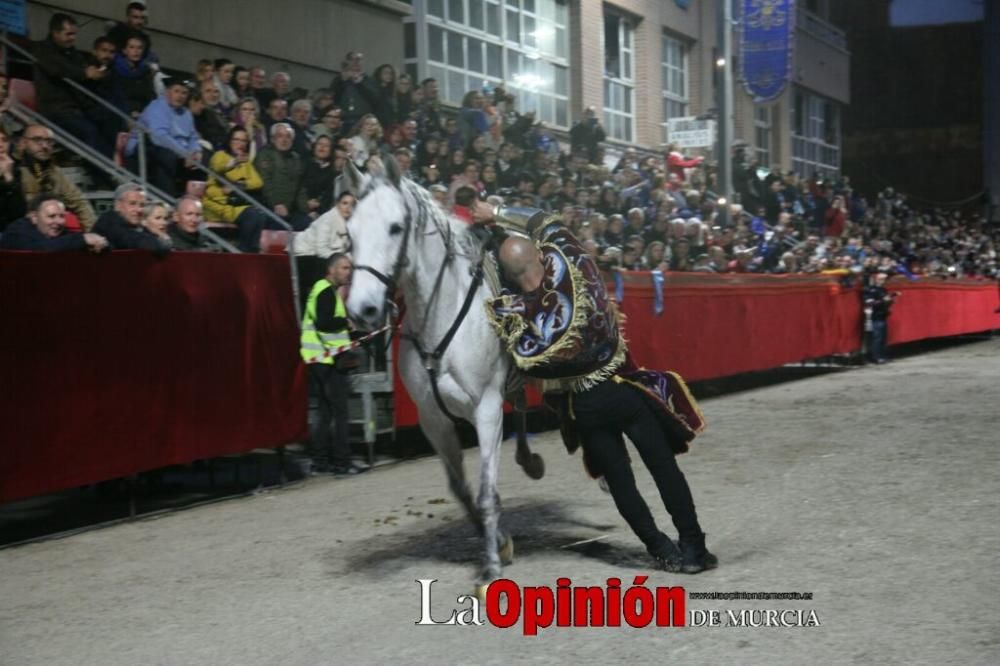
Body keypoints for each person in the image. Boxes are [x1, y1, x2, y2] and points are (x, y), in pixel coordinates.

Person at [476, 202, 717, 573]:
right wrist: (493, 209)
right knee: (663, 467)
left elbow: (526, 367)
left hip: (583, 406)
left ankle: (662, 550)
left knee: (620, 481)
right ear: (539, 255)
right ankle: (693, 547)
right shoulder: (576, 265)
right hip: (620, 388)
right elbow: (545, 218)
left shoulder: (519, 317)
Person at [300, 253, 368, 476]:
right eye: (344, 268)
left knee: (326, 412)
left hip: (319, 359)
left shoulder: (322, 290)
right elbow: (326, 322)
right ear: (332, 270)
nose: (349, 272)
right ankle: (342, 462)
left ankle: (320, 461)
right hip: (328, 361)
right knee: (339, 412)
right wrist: (347, 322)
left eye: (350, 268)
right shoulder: (325, 291)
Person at [32, 13, 117, 157]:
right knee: (89, 131)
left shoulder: (73, 53)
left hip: (79, 108)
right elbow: (59, 69)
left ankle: (114, 167)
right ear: (55, 33)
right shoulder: (42, 49)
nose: (73, 38)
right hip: (56, 110)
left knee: (111, 120)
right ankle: (104, 176)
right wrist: (85, 73)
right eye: (68, 34)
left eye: (74, 34)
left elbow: (84, 72)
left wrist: (99, 73)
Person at [128, 77, 202, 196]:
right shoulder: (156, 107)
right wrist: (185, 153)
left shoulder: (186, 113)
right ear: (167, 92)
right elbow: (159, 137)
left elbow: (193, 136)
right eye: (176, 91)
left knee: (205, 158)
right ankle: (166, 197)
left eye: (184, 93)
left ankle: (194, 199)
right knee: (167, 156)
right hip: (145, 147)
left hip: (178, 150)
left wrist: (195, 151)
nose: (180, 96)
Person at [19, 125, 98, 230]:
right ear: (23, 143)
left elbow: (78, 202)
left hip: (50, 231)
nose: (44, 146)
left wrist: (92, 231)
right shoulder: (14, 168)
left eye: (49, 141)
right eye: (37, 140)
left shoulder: (54, 172)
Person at [203, 126, 266, 253]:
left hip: (235, 203)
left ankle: (252, 251)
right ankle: (243, 252)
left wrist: (238, 186)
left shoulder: (245, 162)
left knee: (261, 216)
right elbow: (218, 168)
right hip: (216, 204)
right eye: (236, 139)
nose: (240, 144)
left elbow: (258, 182)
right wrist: (233, 162)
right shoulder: (219, 155)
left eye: (243, 141)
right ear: (229, 140)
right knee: (252, 216)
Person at [1, 194, 108, 252]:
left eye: (61, 216)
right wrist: (81, 240)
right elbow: (39, 249)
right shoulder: (16, 232)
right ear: (34, 217)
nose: (59, 221)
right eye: (51, 216)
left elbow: (70, 239)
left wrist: (100, 244)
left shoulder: (60, 232)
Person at [254, 123, 308, 230]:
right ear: (273, 139)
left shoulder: (296, 158)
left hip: (290, 210)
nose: (284, 140)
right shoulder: (265, 154)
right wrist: (276, 204)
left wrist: (306, 211)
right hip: (268, 208)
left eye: (288, 136)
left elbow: (300, 187)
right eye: (280, 136)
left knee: (308, 223)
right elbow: (265, 182)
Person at [93, 183, 170, 252]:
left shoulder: (135, 226)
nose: (139, 210)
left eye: (142, 205)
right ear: (118, 205)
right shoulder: (109, 221)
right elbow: (135, 240)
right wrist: (162, 241)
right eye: (132, 203)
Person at [863, 270, 899, 364]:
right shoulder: (869, 289)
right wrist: (884, 300)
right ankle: (876, 357)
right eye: (881, 279)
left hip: (883, 315)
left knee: (883, 338)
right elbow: (870, 303)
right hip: (874, 317)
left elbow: (885, 301)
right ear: (876, 279)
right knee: (877, 338)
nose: (882, 281)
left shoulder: (883, 290)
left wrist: (890, 301)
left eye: (884, 279)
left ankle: (882, 356)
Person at [0, 125, 27, 232]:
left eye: (4, 140)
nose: (1, 145)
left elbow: (19, 214)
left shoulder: (14, 170)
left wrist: (9, 178)